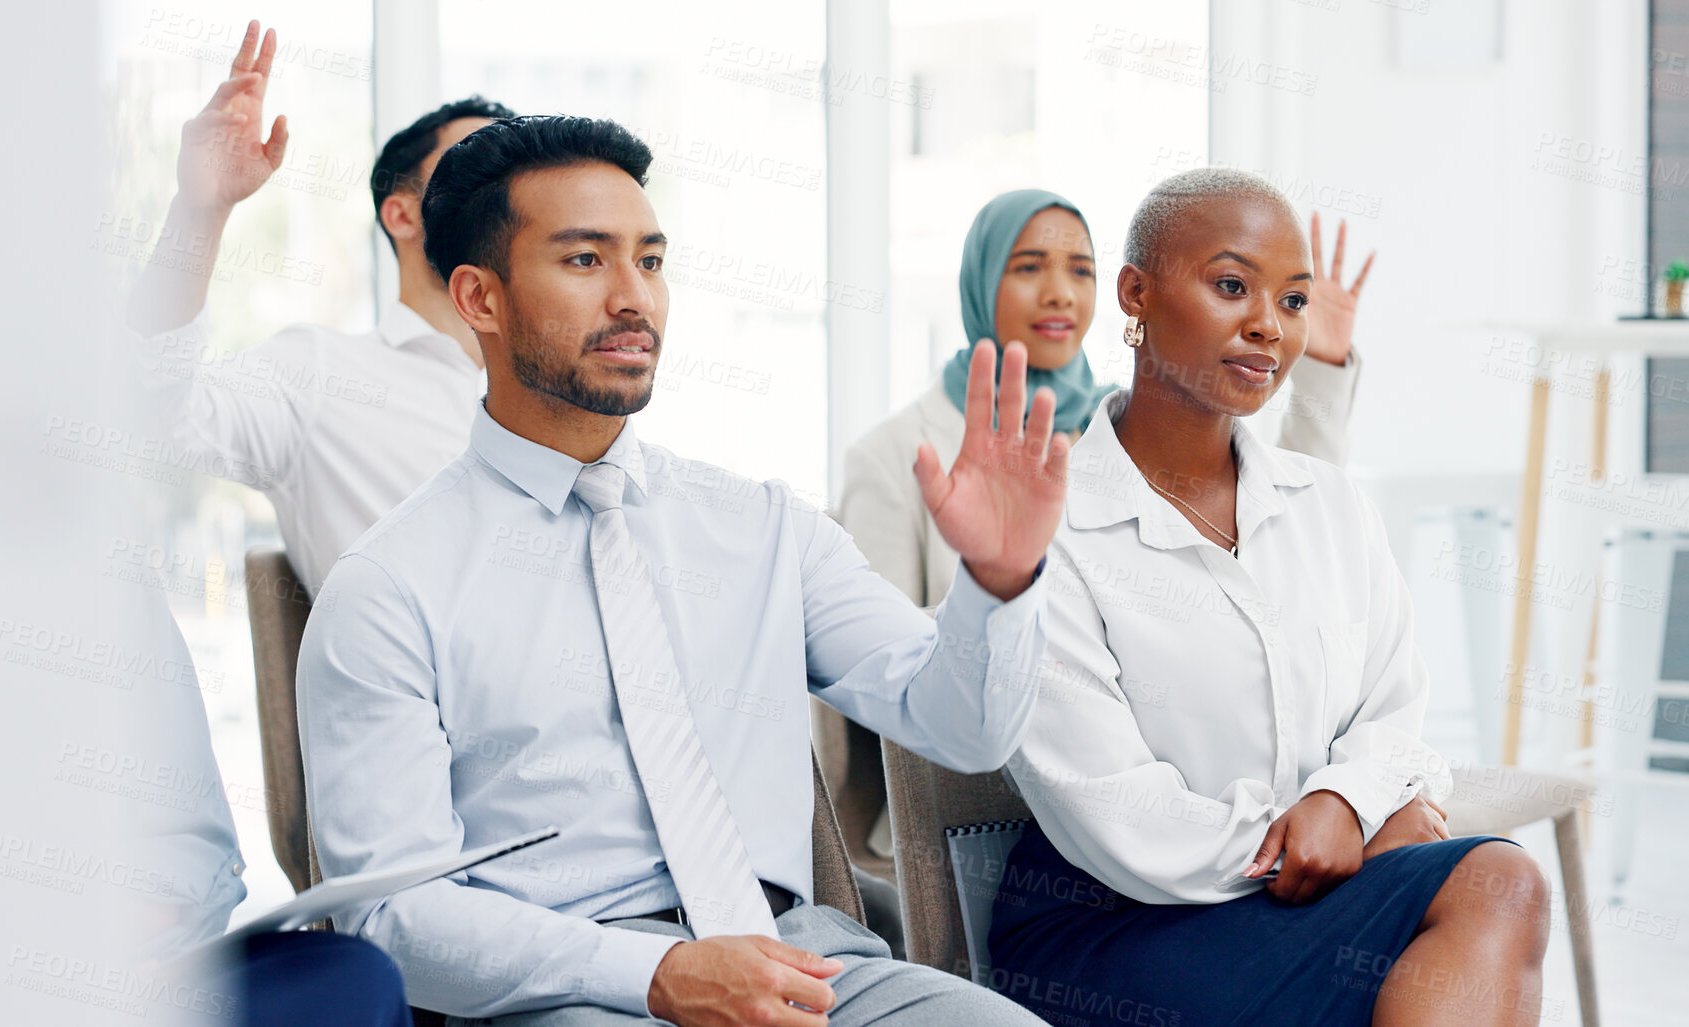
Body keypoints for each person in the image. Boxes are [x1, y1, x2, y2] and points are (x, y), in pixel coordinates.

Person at [297, 114, 1066, 1025]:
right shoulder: (390, 586)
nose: (635, 298)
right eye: (586, 261)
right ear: (478, 298)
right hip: (564, 990)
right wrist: (656, 970)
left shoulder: (766, 527)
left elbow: (964, 730)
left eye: (651, 261)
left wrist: (997, 583)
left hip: (809, 967)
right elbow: (389, 917)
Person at [987, 169, 1550, 1027]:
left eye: (1291, 300)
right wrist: (1341, 832)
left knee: (1494, 891)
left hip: (1300, 898)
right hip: (1116, 927)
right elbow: (1118, 808)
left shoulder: (1327, 503)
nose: (1266, 324)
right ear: (1134, 293)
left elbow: (1392, 711)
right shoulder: (1048, 525)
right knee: (1493, 886)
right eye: (1229, 286)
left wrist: (1341, 803)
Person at [124, 19, 517, 593]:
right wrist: (199, 211)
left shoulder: (555, 379)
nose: (506, 194)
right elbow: (151, 403)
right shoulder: (318, 376)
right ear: (403, 214)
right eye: (477, 171)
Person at [840, 188, 1371, 613]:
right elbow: (874, 673)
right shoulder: (890, 455)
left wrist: (1322, 370)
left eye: (1080, 270)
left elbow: (1279, 521)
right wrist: (999, 589)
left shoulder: (1131, 425)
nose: (1060, 294)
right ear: (980, 280)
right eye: (1028, 267)